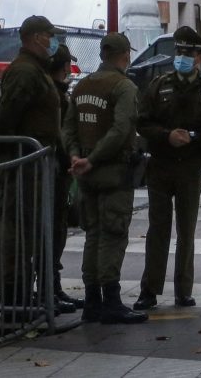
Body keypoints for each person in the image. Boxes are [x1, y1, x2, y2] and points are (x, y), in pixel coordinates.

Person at [133, 26, 201, 310]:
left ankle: (183, 290)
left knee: (186, 231)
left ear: (199, 57)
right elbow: (143, 121)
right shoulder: (159, 84)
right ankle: (149, 290)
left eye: (188, 53)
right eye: (179, 52)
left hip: (190, 167)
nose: (182, 57)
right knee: (157, 230)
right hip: (161, 165)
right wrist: (166, 135)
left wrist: (196, 136)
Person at [63, 33, 147, 324]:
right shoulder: (124, 87)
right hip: (112, 172)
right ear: (124, 56)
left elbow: (69, 127)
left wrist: (76, 156)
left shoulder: (82, 85)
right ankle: (110, 300)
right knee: (113, 235)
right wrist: (93, 159)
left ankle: (92, 302)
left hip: (86, 174)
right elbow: (122, 129)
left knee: (93, 235)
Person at [0, 15, 67, 312]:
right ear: (36, 37)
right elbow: (7, 116)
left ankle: (30, 299)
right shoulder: (24, 72)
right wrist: (0, 150)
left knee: (33, 232)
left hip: (37, 165)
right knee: (19, 234)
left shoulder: (36, 70)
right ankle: (15, 304)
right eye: (50, 35)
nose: (53, 41)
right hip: (24, 165)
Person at [47, 44, 83, 312]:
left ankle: (54, 287)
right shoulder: (56, 95)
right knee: (53, 233)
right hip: (55, 173)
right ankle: (50, 289)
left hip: (58, 173)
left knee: (58, 231)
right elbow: (61, 133)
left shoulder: (59, 92)